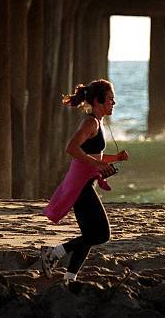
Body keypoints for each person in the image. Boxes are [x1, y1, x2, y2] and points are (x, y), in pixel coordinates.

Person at [41, 79, 129, 284]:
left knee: (90, 234)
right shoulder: (91, 122)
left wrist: (115, 158)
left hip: (85, 183)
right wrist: (97, 166)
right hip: (80, 186)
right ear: (98, 101)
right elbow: (71, 148)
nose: (113, 103)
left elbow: (93, 155)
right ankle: (54, 253)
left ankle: (69, 277)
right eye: (110, 99)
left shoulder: (97, 122)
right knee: (102, 234)